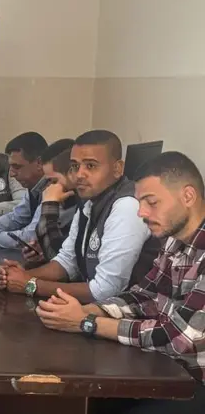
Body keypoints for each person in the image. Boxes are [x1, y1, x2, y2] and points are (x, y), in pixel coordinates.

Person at [36, 151, 205, 413]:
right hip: (169, 369)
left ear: (188, 196)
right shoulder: (174, 242)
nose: (141, 213)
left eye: (152, 202)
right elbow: (145, 295)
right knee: (82, 398)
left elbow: (182, 337)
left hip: (195, 382)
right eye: (140, 202)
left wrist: (86, 322)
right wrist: (90, 310)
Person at [0, 130, 157, 303]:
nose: (79, 174)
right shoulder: (90, 202)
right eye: (75, 166)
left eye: (91, 166)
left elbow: (106, 290)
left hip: (131, 312)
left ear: (117, 169)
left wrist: (30, 284)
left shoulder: (127, 206)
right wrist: (20, 274)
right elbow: (67, 261)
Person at [22, 139, 80, 265]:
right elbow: (60, 253)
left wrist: (49, 205)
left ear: (72, 174)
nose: (48, 187)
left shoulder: (83, 206)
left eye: (53, 181)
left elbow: (55, 255)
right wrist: (42, 252)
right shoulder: (70, 202)